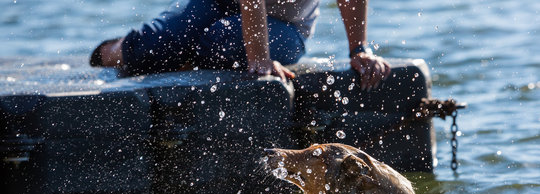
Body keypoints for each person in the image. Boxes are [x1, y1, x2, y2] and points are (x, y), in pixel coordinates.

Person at [90, 0, 390, 91]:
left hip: (284, 26)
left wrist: (358, 50)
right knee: (149, 48)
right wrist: (259, 59)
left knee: (219, 40)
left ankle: (184, 55)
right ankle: (113, 49)